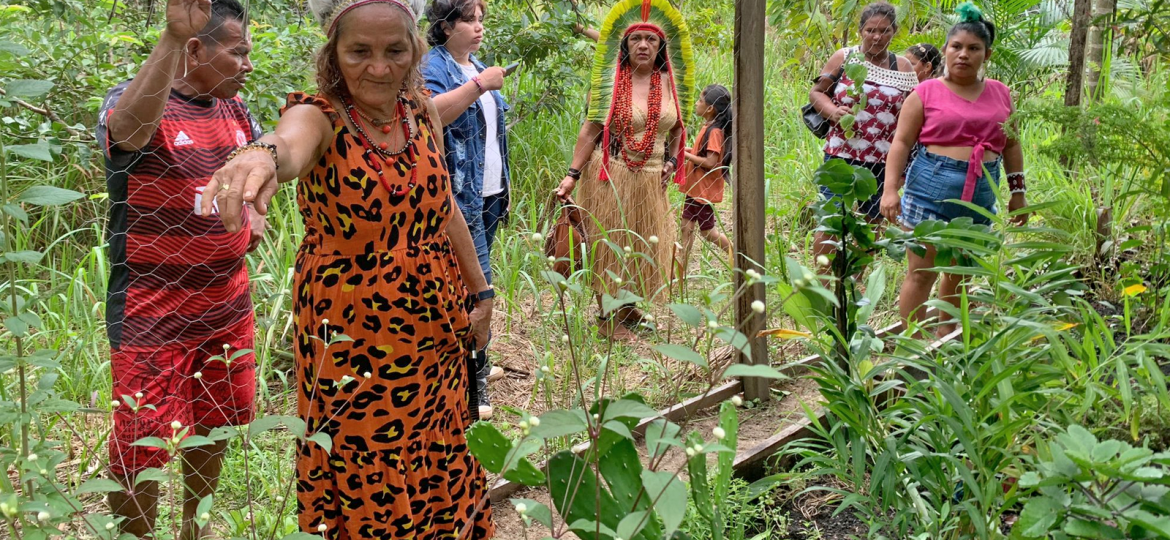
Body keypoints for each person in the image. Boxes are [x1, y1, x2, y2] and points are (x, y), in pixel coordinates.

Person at [202, 0, 495, 536]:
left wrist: (482, 293)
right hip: (353, 329)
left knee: (440, 439)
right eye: (359, 51)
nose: (378, 67)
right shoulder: (321, 115)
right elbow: (288, 144)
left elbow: (444, 204)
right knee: (370, 456)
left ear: (414, 54)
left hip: (434, 316)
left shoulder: (420, 110)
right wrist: (260, 155)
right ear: (333, 53)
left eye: (394, 51)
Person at [95, 0, 264, 537]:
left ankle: (195, 526)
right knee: (141, 446)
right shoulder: (138, 102)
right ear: (196, 49)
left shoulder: (238, 114)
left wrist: (256, 213)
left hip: (226, 309)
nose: (247, 65)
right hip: (152, 318)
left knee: (215, 424)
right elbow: (127, 132)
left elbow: (260, 179)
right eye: (237, 52)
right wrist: (170, 37)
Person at [881, 2, 1029, 335]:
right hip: (929, 186)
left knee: (961, 272)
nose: (963, 54)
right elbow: (901, 143)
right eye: (956, 47)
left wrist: (1018, 192)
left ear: (986, 54)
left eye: (973, 48)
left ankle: (947, 340)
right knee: (921, 272)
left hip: (981, 189)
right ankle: (913, 345)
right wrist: (891, 189)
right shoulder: (924, 92)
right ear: (945, 51)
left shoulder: (1001, 94)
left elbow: (1012, 144)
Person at [554, 0, 693, 342]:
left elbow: (678, 131)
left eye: (651, 40)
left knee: (644, 241)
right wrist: (572, 174)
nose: (643, 45)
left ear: (660, 47)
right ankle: (606, 317)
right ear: (625, 44)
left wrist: (673, 163)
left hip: (651, 178)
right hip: (610, 174)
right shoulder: (610, 82)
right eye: (635, 39)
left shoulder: (670, 83)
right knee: (609, 242)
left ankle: (629, 307)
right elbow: (590, 131)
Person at [422, 0, 510, 420]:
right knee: (478, 288)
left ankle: (477, 367)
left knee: (474, 281)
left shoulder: (478, 66)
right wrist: (480, 86)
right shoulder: (432, 69)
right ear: (444, 25)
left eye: (481, 20)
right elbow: (429, 116)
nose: (477, 28)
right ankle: (473, 387)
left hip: (489, 193)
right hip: (458, 198)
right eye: (468, 20)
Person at [807, 1, 918, 267]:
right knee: (830, 218)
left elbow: (915, 116)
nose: (877, 36)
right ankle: (824, 285)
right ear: (860, 31)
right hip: (841, 156)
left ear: (894, 32)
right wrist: (833, 112)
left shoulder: (903, 68)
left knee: (872, 223)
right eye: (870, 30)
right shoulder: (844, 57)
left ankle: (855, 279)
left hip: (883, 162)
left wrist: (905, 168)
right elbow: (817, 93)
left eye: (884, 30)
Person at [677, 84, 733, 279]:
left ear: (710, 108)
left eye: (700, 101)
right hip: (695, 189)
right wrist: (686, 151)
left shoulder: (715, 132)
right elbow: (702, 152)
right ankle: (678, 277)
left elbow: (710, 162)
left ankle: (736, 255)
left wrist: (686, 156)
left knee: (708, 233)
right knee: (686, 229)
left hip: (703, 190)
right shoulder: (709, 127)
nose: (696, 104)